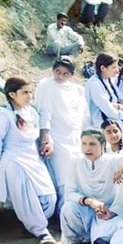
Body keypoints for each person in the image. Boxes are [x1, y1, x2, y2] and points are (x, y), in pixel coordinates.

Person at [0, 77, 57, 244]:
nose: (29, 96)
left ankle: (30, 226)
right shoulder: (3, 116)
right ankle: (42, 232)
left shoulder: (31, 112)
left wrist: (48, 143)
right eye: (25, 92)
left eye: (30, 92)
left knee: (49, 196)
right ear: (12, 94)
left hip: (33, 158)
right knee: (26, 198)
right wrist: (5, 162)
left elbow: (38, 134)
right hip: (14, 160)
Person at [60, 130, 123, 244]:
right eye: (84, 143)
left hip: (107, 211)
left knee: (105, 239)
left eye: (92, 144)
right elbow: (69, 193)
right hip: (85, 209)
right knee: (68, 208)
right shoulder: (75, 162)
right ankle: (83, 238)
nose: (87, 148)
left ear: (102, 145)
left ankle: (97, 237)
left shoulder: (113, 160)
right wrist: (90, 201)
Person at [35, 57, 87, 206]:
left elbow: (83, 116)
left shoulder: (78, 90)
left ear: (71, 75)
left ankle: (73, 213)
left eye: (65, 74)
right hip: (56, 137)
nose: (60, 76)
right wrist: (45, 138)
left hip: (75, 137)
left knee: (77, 175)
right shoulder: (46, 86)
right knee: (63, 176)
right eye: (57, 72)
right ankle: (61, 214)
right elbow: (44, 113)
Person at [85, 53, 123, 128]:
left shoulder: (110, 81)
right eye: (113, 68)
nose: (117, 70)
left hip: (116, 125)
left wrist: (117, 106)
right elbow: (109, 112)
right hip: (101, 127)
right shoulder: (94, 84)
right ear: (103, 68)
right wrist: (122, 112)